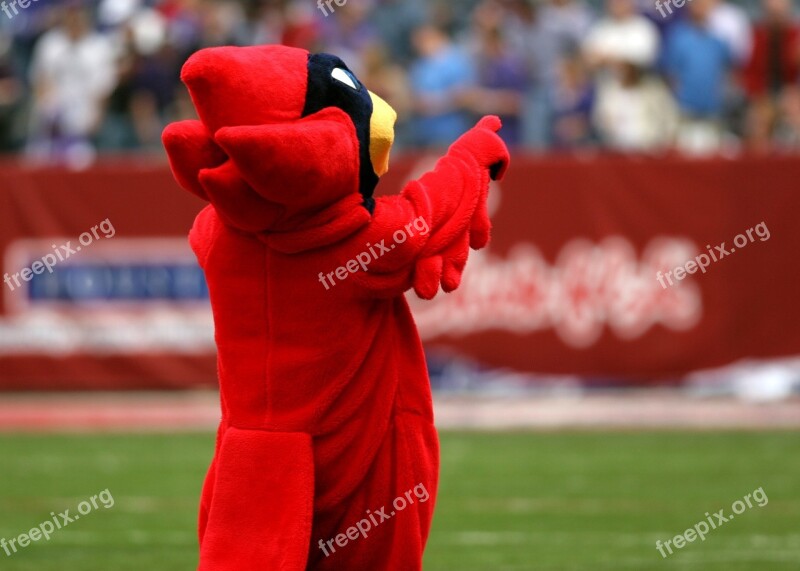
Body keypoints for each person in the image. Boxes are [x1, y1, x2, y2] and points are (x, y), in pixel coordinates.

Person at [27, 4, 115, 167]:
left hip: (83, 119)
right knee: (36, 160)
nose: (74, 19)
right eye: (70, 15)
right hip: (53, 121)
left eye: (78, 15)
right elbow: (40, 81)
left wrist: (94, 119)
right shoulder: (49, 43)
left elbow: (103, 90)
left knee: (80, 161)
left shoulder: (99, 47)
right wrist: (47, 111)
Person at [662, 0, 731, 154]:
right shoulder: (677, 38)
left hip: (712, 114)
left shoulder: (718, 42)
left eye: (705, 4)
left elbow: (726, 74)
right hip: (685, 115)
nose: (702, 8)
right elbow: (670, 74)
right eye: (698, 3)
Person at [409, 24, 476, 148]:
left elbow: (465, 96)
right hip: (425, 134)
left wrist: (433, 104)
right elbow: (415, 99)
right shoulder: (419, 66)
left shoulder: (456, 61)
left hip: (451, 132)